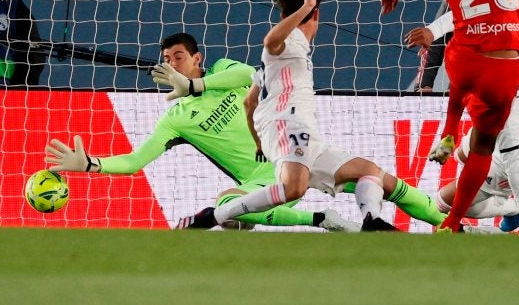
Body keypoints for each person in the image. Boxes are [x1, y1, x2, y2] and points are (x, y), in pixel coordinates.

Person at [175, 0, 450, 232]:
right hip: (287, 125)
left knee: (371, 172)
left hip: (301, 132)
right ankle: (213, 216)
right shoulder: (290, 40)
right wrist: (306, 5)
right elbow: (270, 41)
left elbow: (250, 101)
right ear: (315, 14)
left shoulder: (288, 53)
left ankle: (372, 221)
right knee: (293, 189)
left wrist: (260, 143)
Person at [44, 32, 360, 232]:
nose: (172, 64)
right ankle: (321, 219)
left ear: (198, 58)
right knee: (228, 206)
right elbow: (133, 162)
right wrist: (90, 164)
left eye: (179, 57)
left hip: (296, 156)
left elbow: (252, 74)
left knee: (372, 183)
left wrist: (197, 85)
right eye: (166, 60)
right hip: (263, 183)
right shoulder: (176, 119)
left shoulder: (224, 70)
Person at [373, 0, 519, 233]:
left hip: (466, 61)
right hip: (504, 66)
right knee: (483, 146)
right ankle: (453, 222)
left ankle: (447, 131)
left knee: (459, 84)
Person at [407, 11, 519, 235]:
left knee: (443, 203)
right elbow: (466, 16)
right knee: (460, 156)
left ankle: (511, 209)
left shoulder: (504, 112)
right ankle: (488, 190)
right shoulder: (503, 57)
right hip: (514, 129)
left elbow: (516, 172)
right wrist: (432, 31)